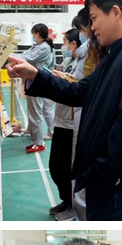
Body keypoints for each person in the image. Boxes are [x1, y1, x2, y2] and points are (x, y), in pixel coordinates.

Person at [6, 0, 122, 220]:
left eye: (94, 18)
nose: (92, 27)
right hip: (109, 180)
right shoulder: (118, 52)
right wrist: (35, 75)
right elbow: (80, 91)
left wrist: (102, 172)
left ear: (115, 12)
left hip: (120, 183)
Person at [47, 29, 86, 221]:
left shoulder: (84, 63)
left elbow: (80, 88)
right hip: (61, 120)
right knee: (55, 167)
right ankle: (65, 199)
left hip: (72, 124)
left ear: (74, 44)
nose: (63, 46)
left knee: (68, 169)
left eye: (64, 42)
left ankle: (73, 205)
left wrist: (65, 80)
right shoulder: (69, 62)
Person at [19, 24, 56, 154]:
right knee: (44, 108)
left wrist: (8, 55)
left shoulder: (43, 47)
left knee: (36, 112)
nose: (33, 36)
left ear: (37, 34)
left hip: (38, 81)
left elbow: (27, 57)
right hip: (42, 80)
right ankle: (47, 133)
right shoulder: (43, 46)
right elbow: (26, 54)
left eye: (33, 34)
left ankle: (38, 143)